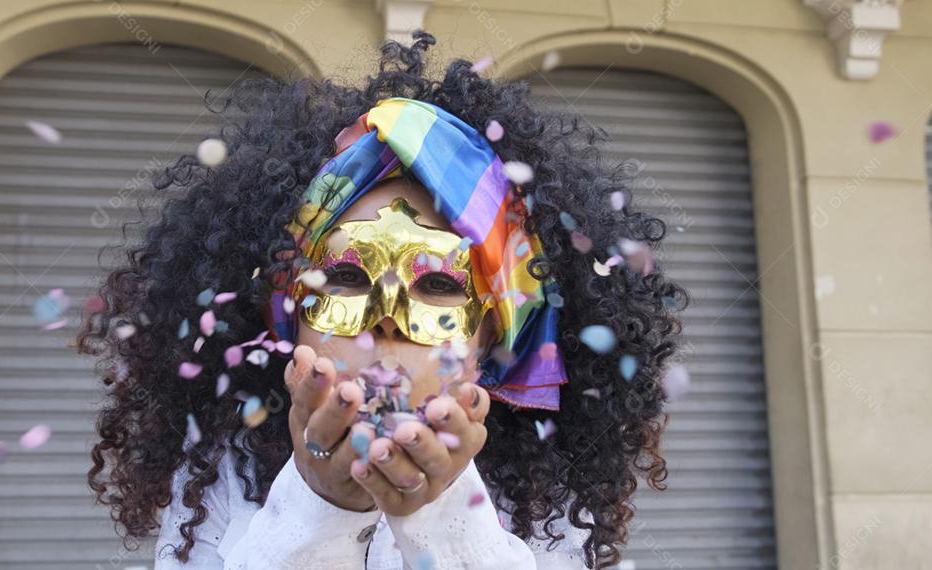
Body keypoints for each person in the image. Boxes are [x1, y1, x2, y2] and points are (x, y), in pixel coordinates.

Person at [78, 31, 687, 569]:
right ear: (290, 321)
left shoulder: (543, 497)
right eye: (345, 278)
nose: (385, 323)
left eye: (439, 284)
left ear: (492, 337)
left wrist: (445, 517)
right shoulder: (221, 476)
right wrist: (319, 507)